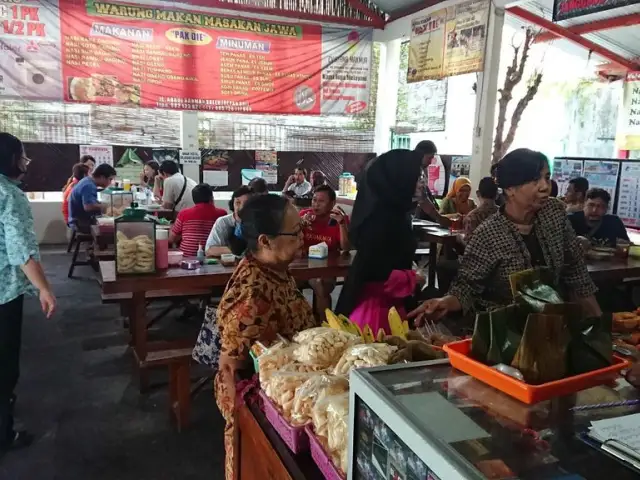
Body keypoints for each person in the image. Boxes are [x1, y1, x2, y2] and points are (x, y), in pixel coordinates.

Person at [409, 148, 601, 323]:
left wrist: (597, 323)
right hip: (505, 333)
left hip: (556, 325)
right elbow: (466, 288)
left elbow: (576, 271)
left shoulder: (554, 213)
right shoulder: (488, 234)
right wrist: (444, 302)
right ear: (510, 189)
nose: (545, 186)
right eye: (535, 180)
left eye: (547, 177)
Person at [212, 194, 316, 480]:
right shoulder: (252, 293)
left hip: (286, 391)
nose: (303, 237)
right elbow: (231, 367)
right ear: (265, 241)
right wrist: (250, 427)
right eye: (294, 233)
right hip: (261, 409)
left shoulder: (275, 270)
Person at [0, 132, 56, 456]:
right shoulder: (10, 195)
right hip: (4, 294)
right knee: (5, 364)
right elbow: (21, 250)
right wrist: (44, 289)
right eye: (22, 154)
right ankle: (4, 433)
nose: (26, 161)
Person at [335, 149, 424, 334]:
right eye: (417, 177)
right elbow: (374, 273)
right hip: (377, 318)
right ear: (398, 180)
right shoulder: (382, 220)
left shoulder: (390, 212)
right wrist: (412, 278)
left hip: (389, 310)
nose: (421, 183)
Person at [299, 185, 350, 316]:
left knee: (321, 284)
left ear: (332, 203)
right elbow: (289, 241)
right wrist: (300, 225)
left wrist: (342, 225)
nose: (316, 205)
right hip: (301, 267)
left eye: (321, 201)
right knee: (287, 283)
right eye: (314, 200)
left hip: (326, 269)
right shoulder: (304, 216)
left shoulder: (338, 219)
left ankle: (324, 326)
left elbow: (346, 248)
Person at [169, 183, 227, 257]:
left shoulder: (184, 214)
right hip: (212, 258)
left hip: (187, 257)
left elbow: (171, 239)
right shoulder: (222, 214)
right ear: (211, 198)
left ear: (194, 199)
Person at [68, 163, 117, 233]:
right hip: (80, 223)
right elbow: (88, 207)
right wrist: (108, 206)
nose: (110, 182)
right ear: (102, 177)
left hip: (78, 220)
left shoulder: (87, 180)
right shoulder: (89, 186)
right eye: (110, 179)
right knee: (114, 228)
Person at [205, 186, 252, 257]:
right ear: (232, 204)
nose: (241, 207)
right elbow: (209, 250)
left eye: (246, 204)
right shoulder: (223, 222)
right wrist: (235, 250)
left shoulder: (257, 223)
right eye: (238, 202)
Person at [463, 176, 499, 243]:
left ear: (478, 193)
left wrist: (459, 238)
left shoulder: (472, 217)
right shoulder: (504, 214)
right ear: (497, 195)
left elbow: (469, 245)